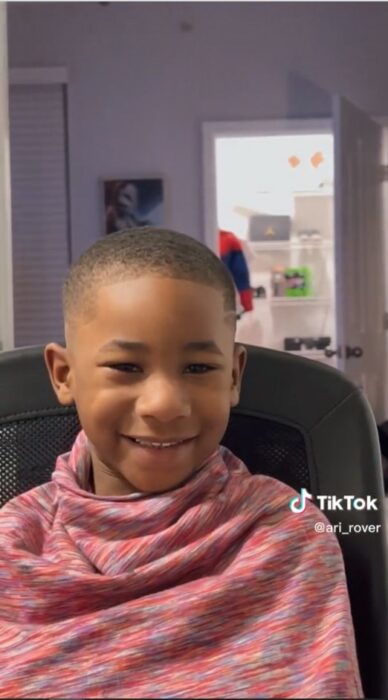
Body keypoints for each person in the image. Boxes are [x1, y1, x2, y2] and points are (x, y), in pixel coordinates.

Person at [0, 228, 363, 698]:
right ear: (64, 375)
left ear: (233, 376)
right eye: (126, 368)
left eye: (198, 369)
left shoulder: (287, 536)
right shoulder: (14, 545)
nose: (164, 404)